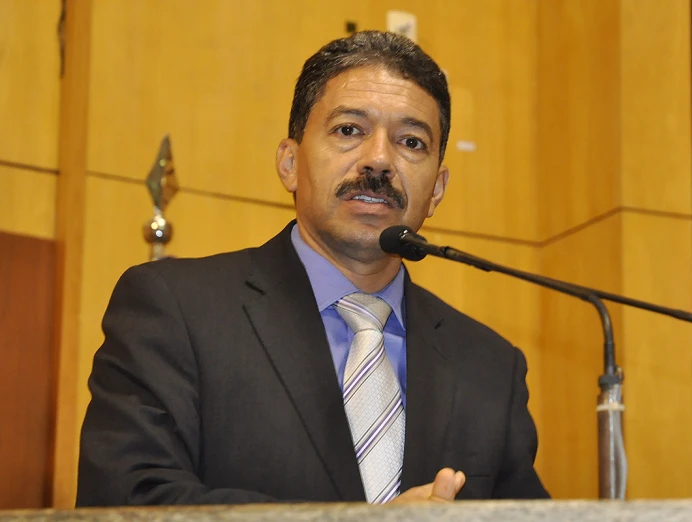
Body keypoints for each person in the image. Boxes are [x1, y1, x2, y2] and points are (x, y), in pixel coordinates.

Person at [76, 30, 548, 506]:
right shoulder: (175, 310)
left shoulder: (489, 366)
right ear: (289, 163)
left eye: (411, 141)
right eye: (349, 130)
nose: (380, 160)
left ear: (437, 189)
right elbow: (127, 501)